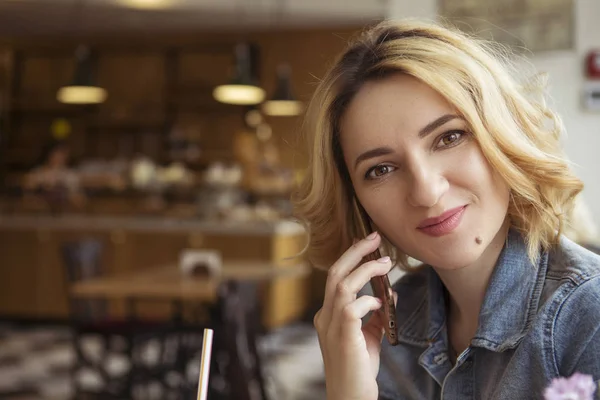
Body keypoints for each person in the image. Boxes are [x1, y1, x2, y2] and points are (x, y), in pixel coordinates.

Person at [292, 19, 600, 399]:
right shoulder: (386, 330)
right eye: (381, 169)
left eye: (449, 137)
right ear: (356, 200)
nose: (426, 191)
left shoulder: (589, 317)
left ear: (500, 135)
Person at [24, 140, 85, 210]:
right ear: (49, 155)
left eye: (63, 154)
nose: (60, 157)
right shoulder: (38, 172)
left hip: (65, 213)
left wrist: (63, 190)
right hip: (40, 214)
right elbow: (27, 195)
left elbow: (80, 201)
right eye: (57, 154)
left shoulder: (71, 175)